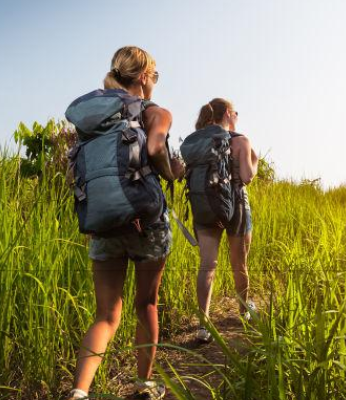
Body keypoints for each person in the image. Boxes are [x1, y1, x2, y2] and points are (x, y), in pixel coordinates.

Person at [66, 46, 184, 400]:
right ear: (145, 76)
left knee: (106, 315)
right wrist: (173, 172)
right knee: (145, 304)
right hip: (145, 221)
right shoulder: (154, 111)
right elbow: (154, 150)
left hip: (102, 221)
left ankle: (78, 392)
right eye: (155, 76)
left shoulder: (93, 117)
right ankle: (144, 384)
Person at [188, 98, 259, 343]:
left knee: (208, 265)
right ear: (228, 114)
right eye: (235, 112)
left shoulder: (200, 141)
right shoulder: (240, 140)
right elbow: (248, 176)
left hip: (207, 204)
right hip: (237, 204)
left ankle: (203, 325)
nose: (237, 116)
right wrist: (256, 162)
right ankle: (244, 311)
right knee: (239, 263)